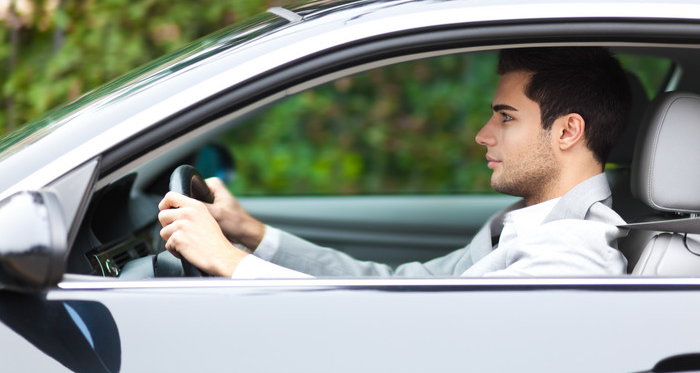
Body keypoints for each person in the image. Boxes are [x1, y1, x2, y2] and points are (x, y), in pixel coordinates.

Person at [158, 46, 632, 278]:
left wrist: (227, 261)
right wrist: (249, 234)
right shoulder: (524, 224)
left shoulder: (569, 254)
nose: (482, 135)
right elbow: (396, 290)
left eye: (506, 118)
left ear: (568, 130)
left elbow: (419, 340)